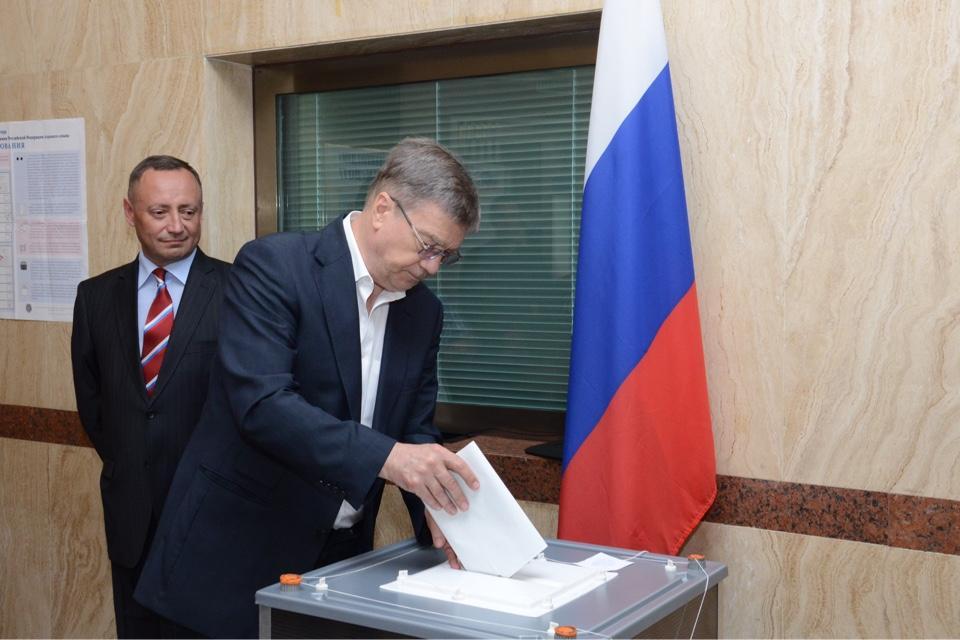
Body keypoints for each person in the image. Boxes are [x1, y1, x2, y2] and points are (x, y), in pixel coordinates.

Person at [135, 137, 482, 638]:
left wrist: (445, 512)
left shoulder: (423, 312)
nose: (431, 267)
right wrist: (390, 458)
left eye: (445, 255)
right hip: (234, 558)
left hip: (339, 560)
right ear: (383, 208)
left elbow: (415, 430)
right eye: (428, 246)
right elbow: (263, 406)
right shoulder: (274, 266)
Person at [71, 155, 231, 638]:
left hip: (213, 520)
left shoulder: (238, 290)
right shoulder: (95, 297)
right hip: (131, 521)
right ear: (129, 213)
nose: (177, 226)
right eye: (160, 211)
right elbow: (94, 405)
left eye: (189, 210)